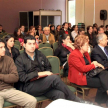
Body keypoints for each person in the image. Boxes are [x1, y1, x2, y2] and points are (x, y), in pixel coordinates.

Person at [15, 35, 89, 103]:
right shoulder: (19, 59)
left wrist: (46, 76)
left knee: (60, 94)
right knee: (54, 78)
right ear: (24, 45)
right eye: (29, 44)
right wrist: (38, 74)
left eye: (34, 44)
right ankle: (75, 99)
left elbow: (48, 67)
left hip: (42, 83)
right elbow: (22, 77)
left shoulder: (39, 54)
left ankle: (73, 99)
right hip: (28, 86)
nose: (32, 46)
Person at [68, 35, 108, 105]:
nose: (88, 46)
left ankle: (100, 101)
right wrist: (94, 64)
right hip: (80, 77)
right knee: (103, 81)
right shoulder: (73, 55)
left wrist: (93, 64)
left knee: (104, 73)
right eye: (86, 44)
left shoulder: (85, 53)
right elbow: (82, 68)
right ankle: (99, 101)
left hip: (88, 74)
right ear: (80, 46)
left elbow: (88, 65)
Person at [0, 39, 37, 108]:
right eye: (1, 47)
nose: (4, 49)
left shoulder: (8, 59)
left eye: (4, 47)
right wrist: (7, 77)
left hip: (9, 90)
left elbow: (15, 77)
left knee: (32, 101)